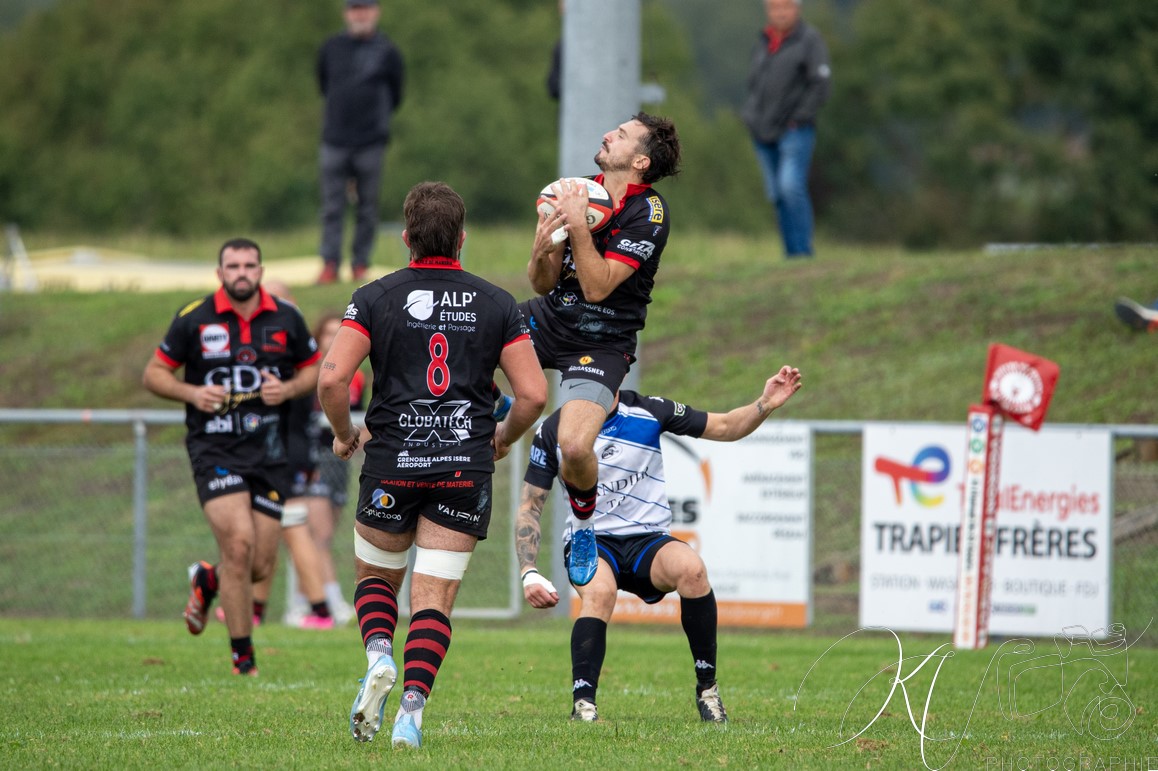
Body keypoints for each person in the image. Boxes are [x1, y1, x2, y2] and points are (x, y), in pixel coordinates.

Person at [318, 181, 547, 748]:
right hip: (461, 466)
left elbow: (331, 378)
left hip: (392, 460)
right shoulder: (497, 303)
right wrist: (501, 438)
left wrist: (346, 435)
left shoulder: (374, 297)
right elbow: (534, 395)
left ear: (405, 238)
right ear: (463, 240)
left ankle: (377, 656)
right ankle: (412, 712)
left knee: (376, 578)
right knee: (433, 597)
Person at [516, 365, 803, 723]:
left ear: (618, 376)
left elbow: (727, 426)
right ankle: (583, 706)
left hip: (647, 541)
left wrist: (765, 402)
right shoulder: (554, 429)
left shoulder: (651, 411)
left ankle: (708, 691)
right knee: (600, 593)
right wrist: (528, 571)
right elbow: (530, 505)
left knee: (692, 570)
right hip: (591, 541)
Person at [142, 238, 321, 676]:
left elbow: (315, 367)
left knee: (259, 565)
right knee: (238, 546)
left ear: (260, 269)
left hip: (269, 452)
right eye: (233, 265)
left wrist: (291, 388)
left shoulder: (286, 317)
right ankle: (244, 661)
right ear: (220, 272)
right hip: (214, 448)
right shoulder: (194, 318)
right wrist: (191, 392)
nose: (242, 272)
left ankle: (208, 580)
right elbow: (153, 374)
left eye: (250, 265)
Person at [519, 112, 681, 589]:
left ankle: (586, 527)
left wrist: (577, 228)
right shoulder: (577, 190)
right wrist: (542, 247)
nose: (609, 133)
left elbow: (598, 286)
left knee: (573, 447)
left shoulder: (649, 213)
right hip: (550, 318)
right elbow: (543, 282)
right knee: (471, 333)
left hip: (602, 341)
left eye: (623, 134)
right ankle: (507, 423)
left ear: (639, 159)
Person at [316, 0, 406, 285]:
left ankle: (359, 264)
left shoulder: (388, 51)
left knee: (368, 206)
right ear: (347, 13)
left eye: (365, 8)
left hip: (371, 140)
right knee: (332, 206)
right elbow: (322, 84)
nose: (360, 15)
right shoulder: (330, 48)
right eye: (355, 9)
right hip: (335, 139)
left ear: (375, 12)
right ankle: (330, 263)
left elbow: (397, 92)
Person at [741, 0, 831, 259]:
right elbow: (755, 84)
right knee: (777, 194)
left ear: (797, 9)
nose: (780, 13)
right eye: (774, 8)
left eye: (785, 7)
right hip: (762, 130)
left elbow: (821, 84)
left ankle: (803, 252)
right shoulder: (764, 40)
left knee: (791, 186)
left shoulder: (810, 40)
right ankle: (791, 255)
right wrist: (751, 116)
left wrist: (798, 117)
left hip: (795, 129)